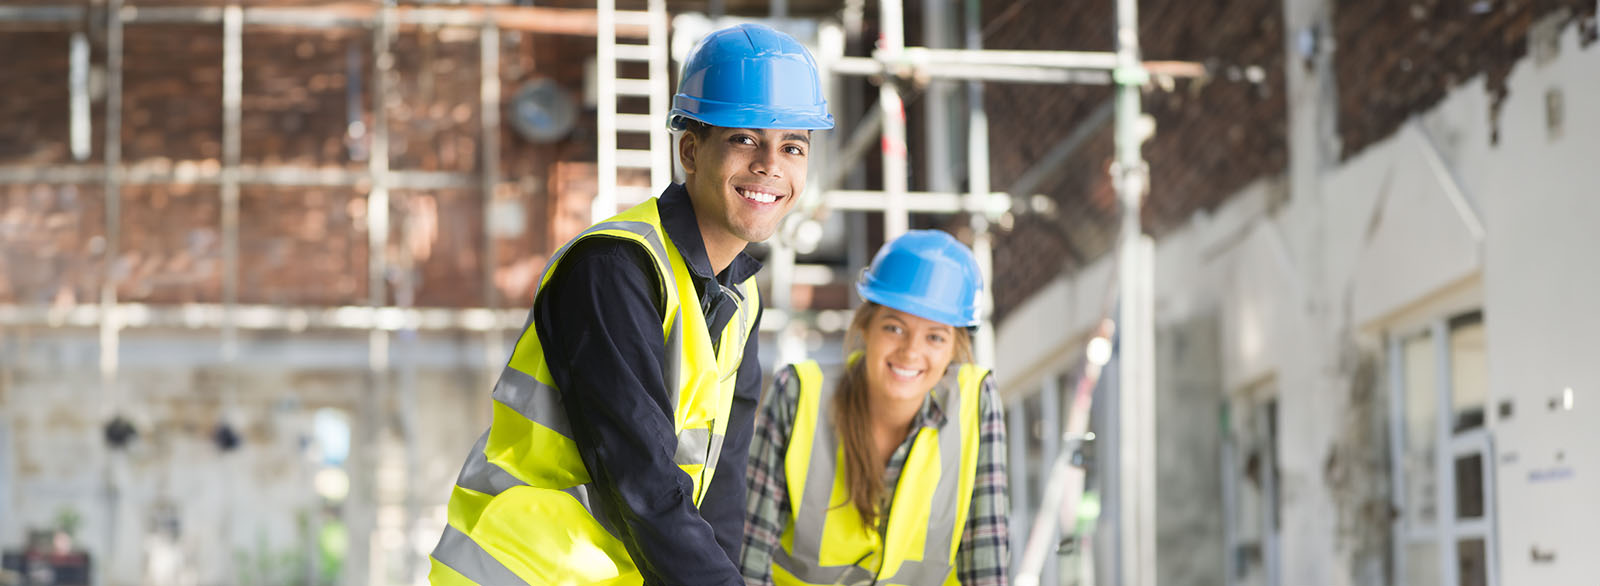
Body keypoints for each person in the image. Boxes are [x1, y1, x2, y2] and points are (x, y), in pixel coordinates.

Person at [428, 23, 832, 585]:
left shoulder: (740, 296)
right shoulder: (613, 267)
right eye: (745, 139)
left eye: (792, 147)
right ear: (690, 150)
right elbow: (639, 474)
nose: (771, 165)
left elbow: (722, 491)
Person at [741, 230, 1011, 585]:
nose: (911, 352)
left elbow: (986, 560)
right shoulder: (797, 395)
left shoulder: (975, 405)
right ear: (865, 328)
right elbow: (749, 552)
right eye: (895, 328)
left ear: (953, 350)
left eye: (935, 336)